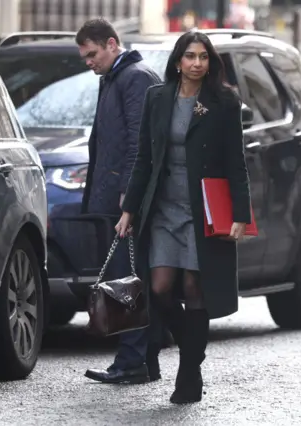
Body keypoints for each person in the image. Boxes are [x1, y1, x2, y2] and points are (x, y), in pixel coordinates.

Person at [116, 31, 252, 404]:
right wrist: (130, 209)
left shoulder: (223, 102)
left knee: (194, 289)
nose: (196, 63)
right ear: (178, 61)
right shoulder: (157, 97)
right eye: (190, 56)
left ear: (210, 63)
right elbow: (144, 156)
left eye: (203, 57)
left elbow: (235, 162)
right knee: (158, 289)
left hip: (200, 211)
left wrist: (241, 214)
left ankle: (189, 372)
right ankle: (192, 351)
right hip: (162, 208)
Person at [76, 18, 162, 384]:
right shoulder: (113, 77)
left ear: (112, 44)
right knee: (127, 278)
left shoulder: (135, 76)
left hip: (125, 200)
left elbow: (138, 143)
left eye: (92, 54)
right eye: (84, 56)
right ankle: (141, 360)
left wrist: (129, 199)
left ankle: (132, 362)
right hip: (112, 195)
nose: (88, 62)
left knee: (127, 281)